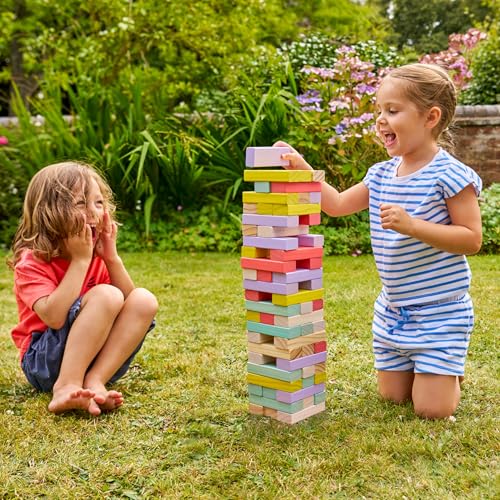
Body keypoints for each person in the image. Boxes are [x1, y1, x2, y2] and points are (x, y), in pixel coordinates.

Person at [275, 63, 482, 419]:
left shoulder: (450, 175)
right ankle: (434, 367)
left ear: (430, 117)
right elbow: (337, 205)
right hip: (393, 312)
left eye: (392, 110)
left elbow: (471, 239)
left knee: (431, 411)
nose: (381, 120)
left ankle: (445, 363)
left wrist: (414, 226)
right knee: (391, 397)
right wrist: (304, 171)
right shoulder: (381, 173)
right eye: (379, 111)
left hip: (437, 311)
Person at [9, 161, 158, 416]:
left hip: (96, 360)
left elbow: (130, 304)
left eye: (98, 203)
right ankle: (66, 386)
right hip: (44, 362)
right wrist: (80, 261)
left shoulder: (97, 256)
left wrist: (112, 259)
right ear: (49, 211)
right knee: (107, 294)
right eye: (80, 203)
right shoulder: (32, 261)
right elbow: (54, 318)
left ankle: (94, 381)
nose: (93, 211)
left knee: (144, 299)